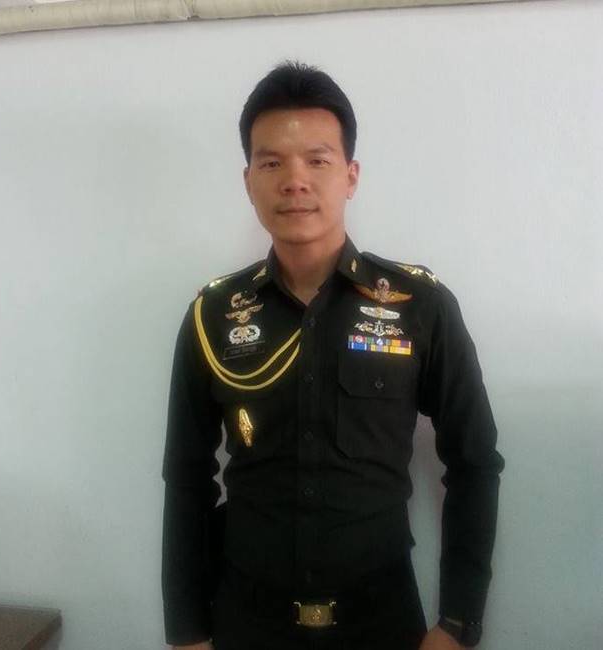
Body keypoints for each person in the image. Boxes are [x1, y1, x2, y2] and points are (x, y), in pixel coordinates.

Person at [161, 61, 504, 650]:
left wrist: (457, 624)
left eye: (317, 160)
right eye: (272, 163)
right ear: (248, 180)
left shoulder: (418, 306)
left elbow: (475, 463)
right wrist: (188, 633)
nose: (295, 180)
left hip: (382, 623)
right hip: (247, 622)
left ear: (350, 175)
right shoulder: (212, 316)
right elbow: (187, 478)